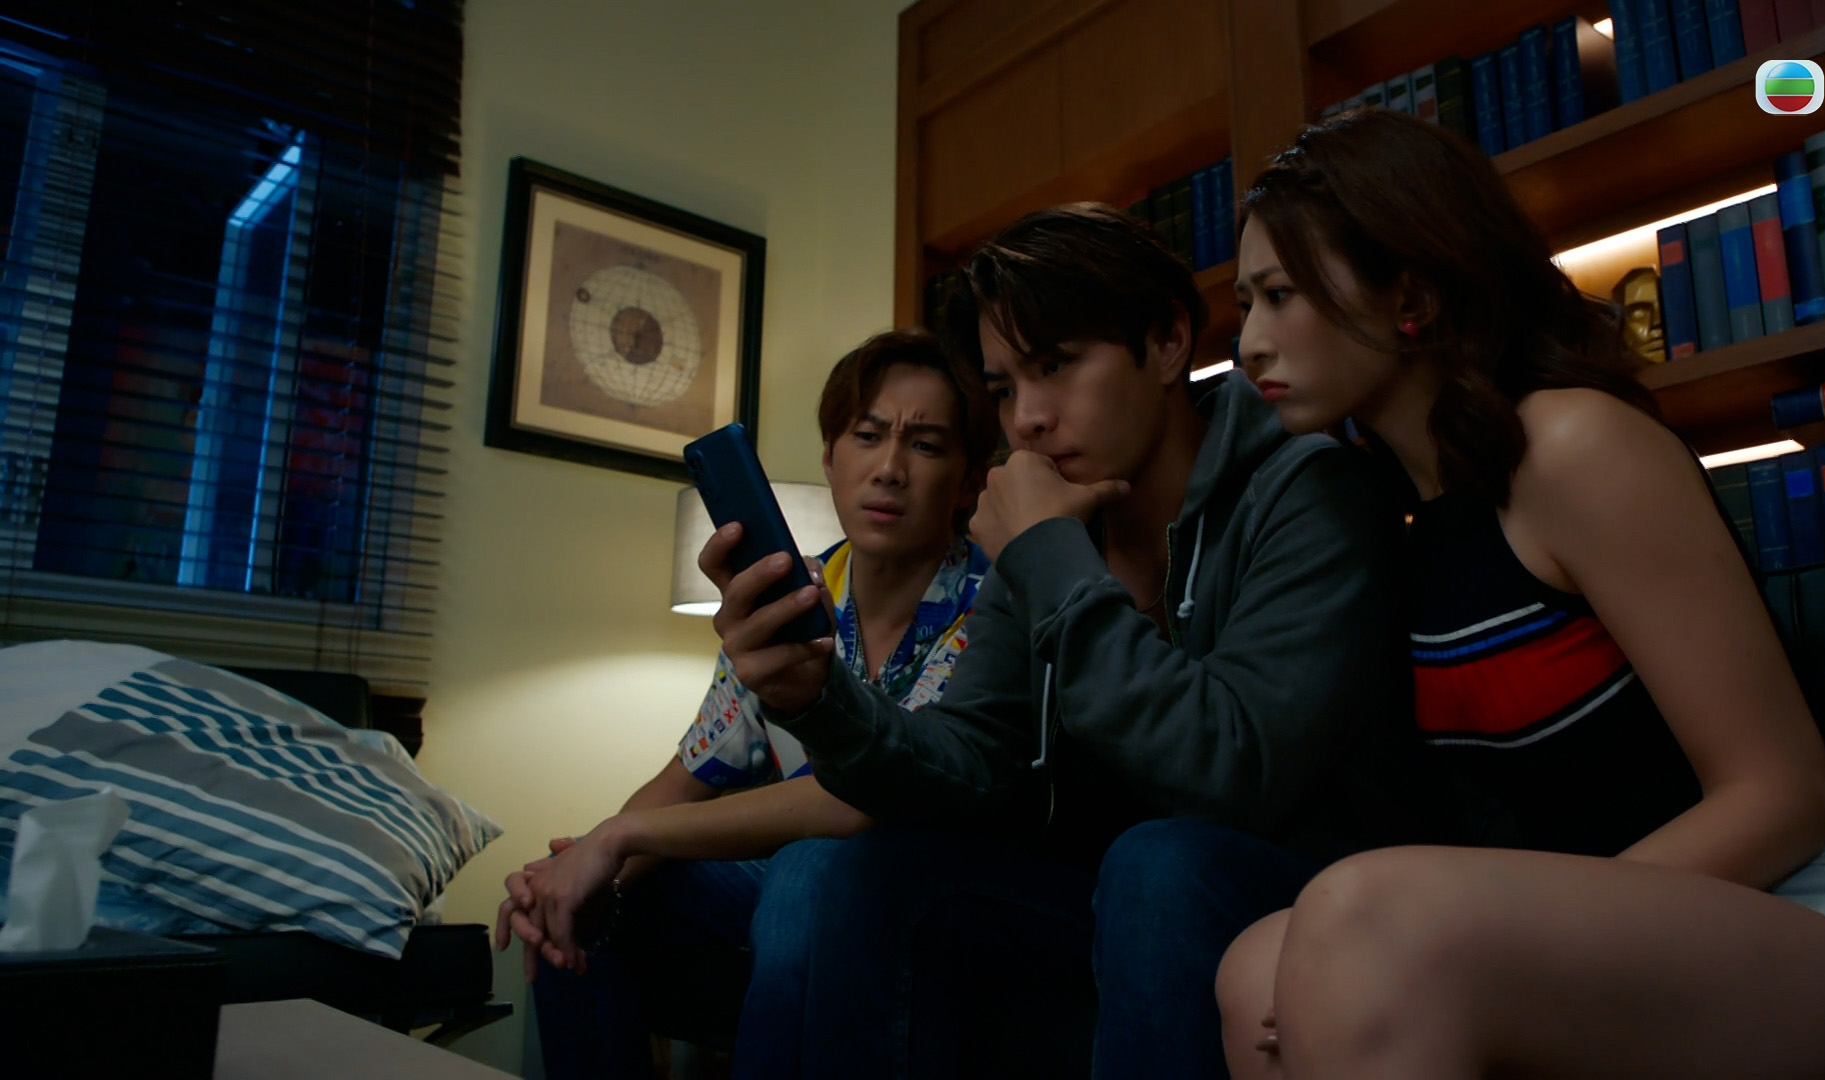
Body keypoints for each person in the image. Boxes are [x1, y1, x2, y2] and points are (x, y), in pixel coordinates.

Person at [1214, 107, 1825, 1078]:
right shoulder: (1400, 516)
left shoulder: (1572, 444)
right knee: (1258, 964)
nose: (1249, 345)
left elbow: (1783, 797)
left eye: (1278, 295)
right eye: (1244, 304)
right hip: (1629, 925)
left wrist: (1514, 945)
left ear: (1410, 296)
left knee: (1364, 917)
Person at [697, 203, 1435, 1078]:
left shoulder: (1307, 488)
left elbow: (1233, 774)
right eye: (1005, 388)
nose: (1028, 421)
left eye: (1055, 366)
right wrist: (817, 701)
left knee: (1159, 863)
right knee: (859, 871)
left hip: (1296, 897)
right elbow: (970, 758)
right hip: (1094, 905)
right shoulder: (1051, 524)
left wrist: (1049, 556)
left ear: (1167, 343)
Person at [496, 328, 998, 1079]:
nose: (889, 468)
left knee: (805, 872)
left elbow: (856, 801)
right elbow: (689, 774)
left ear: (966, 481)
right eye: (867, 437)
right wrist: (578, 868)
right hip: (807, 876)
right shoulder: (790, 597)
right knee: (578, 900)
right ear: (830, 459)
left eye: (924, 445)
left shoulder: (989, 605)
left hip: (932, 884)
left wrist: (621, 837)